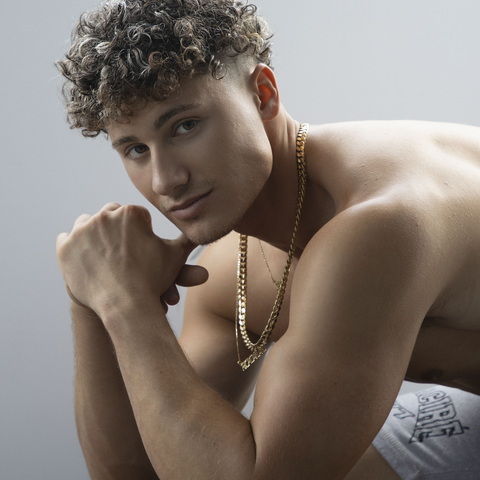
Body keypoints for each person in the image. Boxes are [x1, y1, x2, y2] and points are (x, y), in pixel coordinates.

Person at [55, 1, 480, 478]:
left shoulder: (378, 222)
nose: (165, 180)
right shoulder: (232, 272)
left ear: (263, 94)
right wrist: (92, 298)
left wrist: (126, 306)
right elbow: (144, 470)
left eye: (185, 126)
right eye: (136, 149)